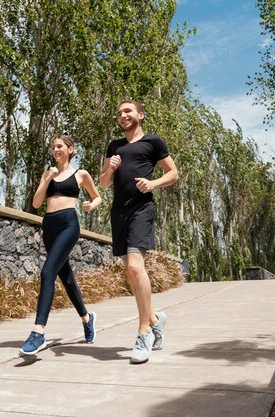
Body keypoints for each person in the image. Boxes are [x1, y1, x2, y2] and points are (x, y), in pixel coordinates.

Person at [99, 100, 179, 364]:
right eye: (119, 112)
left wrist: (153, 183)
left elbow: (173, 173)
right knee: (131, 274)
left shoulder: (153, 142)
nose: (122, 115)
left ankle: (144, 331)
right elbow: (104, 182)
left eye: (128, 111)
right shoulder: (114, 146)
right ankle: (156, 319)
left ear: (140, 115)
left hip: (141, 209)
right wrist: (110, 166)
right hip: (118, 212)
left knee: (135, 267)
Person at [19, 135, 103, 355]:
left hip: (69, 224)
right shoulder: (48, 173)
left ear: (70, 149)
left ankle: (38, 333)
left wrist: (90, 205)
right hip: (50, 226)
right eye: (53, 146)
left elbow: (97, 197)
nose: (55, 149)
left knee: (48, 272)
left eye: (59, 146)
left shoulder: (80, 174)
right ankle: (87, 318)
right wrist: (47, 179)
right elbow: (36, 204)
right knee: (65, 277)